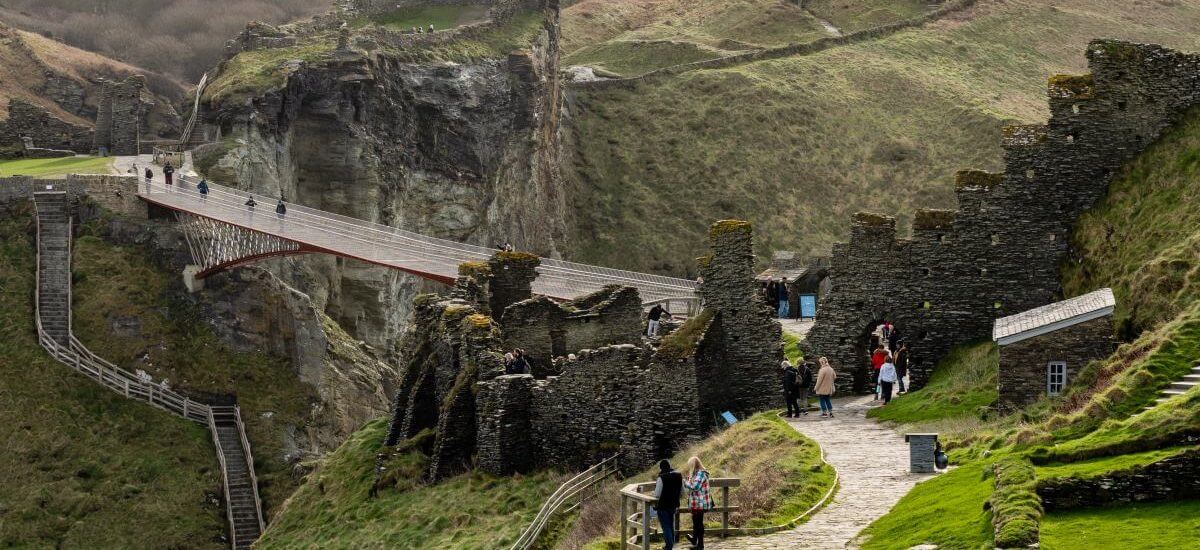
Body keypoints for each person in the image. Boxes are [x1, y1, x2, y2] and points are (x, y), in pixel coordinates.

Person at [683, 456, 714, 550]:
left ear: (694, 465)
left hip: (699, 503)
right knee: (696, 522)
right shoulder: (697, 473)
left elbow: (695, 487)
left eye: (690, 465)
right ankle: (695, 540)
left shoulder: (700, 473)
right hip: (698, 502)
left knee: (698, 523)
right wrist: (689, 480)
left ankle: (700, 545)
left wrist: (685, 482)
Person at [652, 459, 683, 550]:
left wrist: (652, 494)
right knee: (671, 524)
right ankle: (671, 544)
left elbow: (657, 494)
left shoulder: (661, 478)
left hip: (663, 505)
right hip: (673, 504)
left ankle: (669, 546)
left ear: (661, 468)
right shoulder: (678, 476)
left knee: (666, 526)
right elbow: (682, 491)